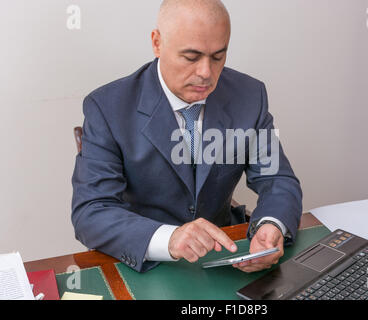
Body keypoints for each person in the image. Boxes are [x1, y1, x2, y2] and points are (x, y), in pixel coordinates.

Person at [71, 0, 303, 273]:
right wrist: (169, 239)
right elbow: (91, 212)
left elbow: (277, 178)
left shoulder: (249, 95)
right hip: (144, 261)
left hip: (221, 259)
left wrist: (272, 224)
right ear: (157, 43)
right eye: (191, 57)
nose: (206, 73)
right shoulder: (108, 107)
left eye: (218, 57)